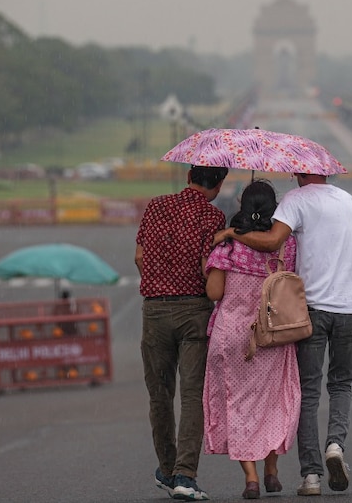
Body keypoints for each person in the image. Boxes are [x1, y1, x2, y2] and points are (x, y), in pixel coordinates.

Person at [214, 172, 352, 497]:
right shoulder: (348, 201)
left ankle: (311, 475)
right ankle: (336, 444)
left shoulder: (297, 200)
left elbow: (270, 241)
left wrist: (232, 232)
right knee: (341, 384)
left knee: (308, 391)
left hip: (310, 309)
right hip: (350, 306)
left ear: (302, 172)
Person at [135, 165, 229, 502]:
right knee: (192, 396)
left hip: (155, 311)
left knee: (160, 395)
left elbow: (140, 257)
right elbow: (210, 266)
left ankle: (167, 466)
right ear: (218, 184)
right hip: (194, 313)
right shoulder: (214, 216)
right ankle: (185, 477)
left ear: (188, 176)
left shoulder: (156, 206)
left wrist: (162, 282)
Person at [203, 179, 301, 500]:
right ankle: (272, 471)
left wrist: (210, 265)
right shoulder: (287, 246)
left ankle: (251, 478)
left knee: (238, 405)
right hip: (272, 335)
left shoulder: (227, 247)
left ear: (243, 206)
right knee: (271, 404)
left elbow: (214, 292)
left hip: (232, 337)